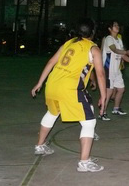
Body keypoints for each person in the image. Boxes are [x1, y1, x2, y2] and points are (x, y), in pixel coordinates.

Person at [30, 18, 106, 173]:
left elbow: (51, 62)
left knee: (52, 113)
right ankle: (84, 162)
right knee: (89, 122)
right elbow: (100, 74)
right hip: (70, 89)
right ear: (93, 32)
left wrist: (39, 83)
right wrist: (104, 96)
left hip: (52, 85)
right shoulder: (93, 48)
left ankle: (40, 145)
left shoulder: (69, 43)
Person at [100, 21, 129, 120]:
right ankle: (102, 113)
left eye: (118, 25)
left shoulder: (118, 39)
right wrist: (125, 52)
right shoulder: (109, 38)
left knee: (121, 89)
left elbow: (122, 55)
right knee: (109, 92)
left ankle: (116, 109)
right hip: (108, 69)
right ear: (110, 29)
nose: (117, 27)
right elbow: (114, 49)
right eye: (115, 25)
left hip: (117, 70)